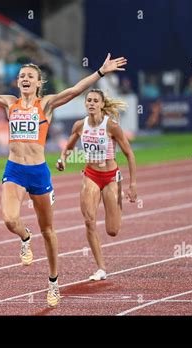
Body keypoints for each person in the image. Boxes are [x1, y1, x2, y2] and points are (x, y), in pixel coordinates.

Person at [0, 53, 127, 307]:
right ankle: (24, 236)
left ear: (38, 83)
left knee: (48, 232)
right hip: (14, 171)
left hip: (39, 173)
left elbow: (76, 89)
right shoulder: (8, 103)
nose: (24, 79)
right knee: (10, 219)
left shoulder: (46, 105)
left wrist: (100, 72)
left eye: (30, 77)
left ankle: (53, 282)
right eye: (21, 76)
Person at [56, 88, 137, 281]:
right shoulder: (79, 125)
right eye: (89, 100)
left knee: (113, 230)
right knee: (89, 220)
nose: (91, 103)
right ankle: (101, 268)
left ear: (101, 104)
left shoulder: (112, 126)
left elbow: (129, 154)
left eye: (95, 101)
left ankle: (116, 210)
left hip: (110, 178)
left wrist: (133, 184)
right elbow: (67, 147)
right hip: (91, 175)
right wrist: (63, 159)